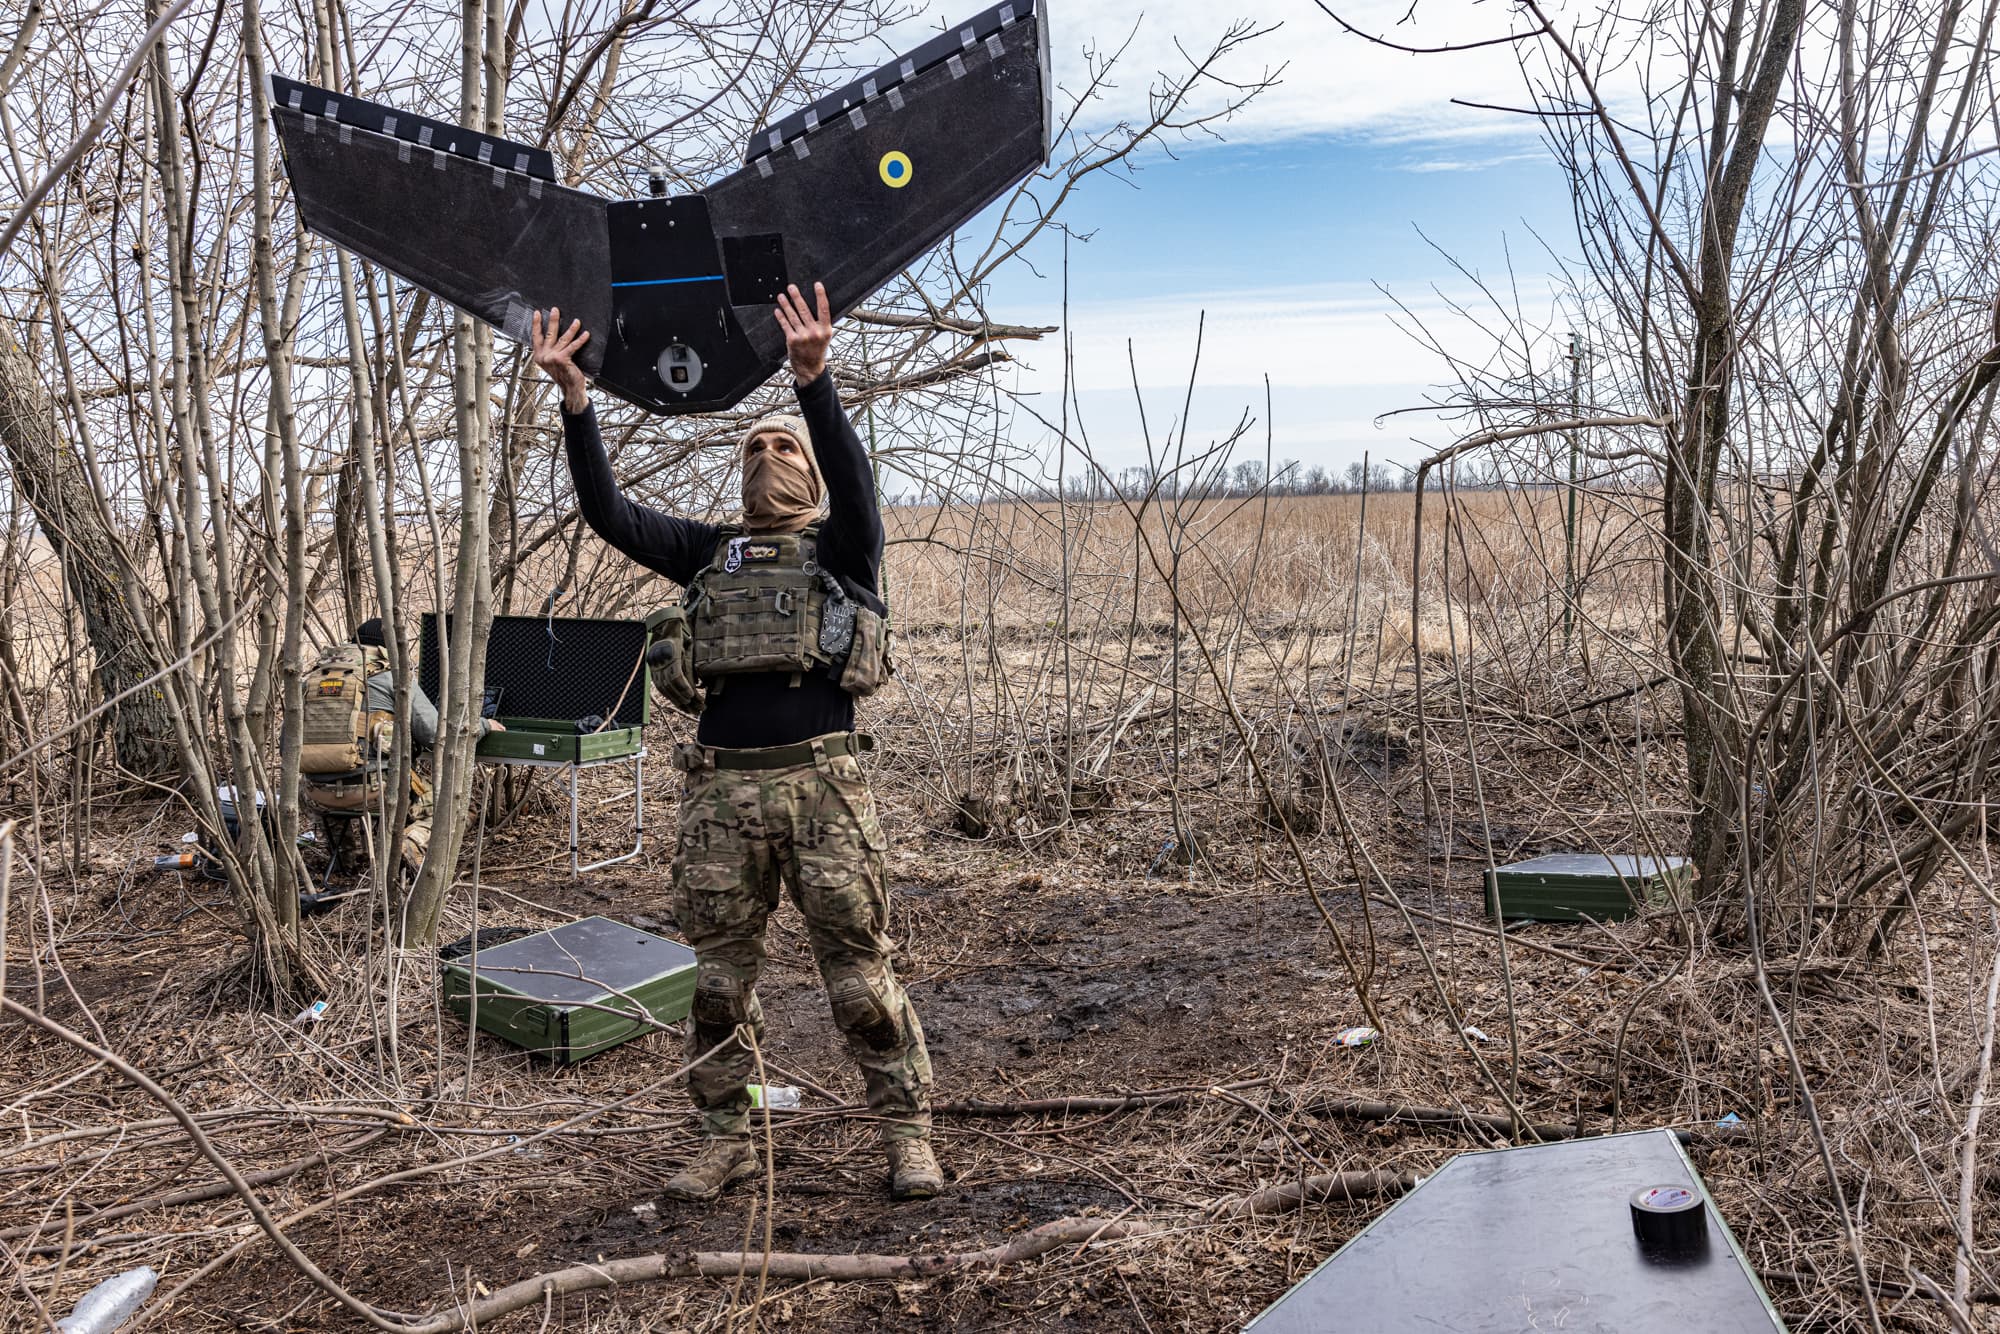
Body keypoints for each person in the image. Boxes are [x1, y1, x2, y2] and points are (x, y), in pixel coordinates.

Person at [530, 283, 941, 1203]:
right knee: (716, 987)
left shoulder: (843, 552)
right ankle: (726, 1139)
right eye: (752, 447)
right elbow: (609, 513)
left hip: (822, 793)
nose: (766, 454)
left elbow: (858, 486)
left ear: (811, 473)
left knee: (859, 984)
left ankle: (907, 1136)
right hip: (720, 796)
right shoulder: (708, 555)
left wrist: (813, 385)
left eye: (782, 446)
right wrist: (576, 401)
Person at [300, 618, 502, 873]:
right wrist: (483, 725)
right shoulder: (393, 677)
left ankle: (342, 863)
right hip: (374, 792)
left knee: (331, 783)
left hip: (315, 795)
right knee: (457, 804)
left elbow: (288, 747)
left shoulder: (311, 681)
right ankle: (410, 844)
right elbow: (435, 735)